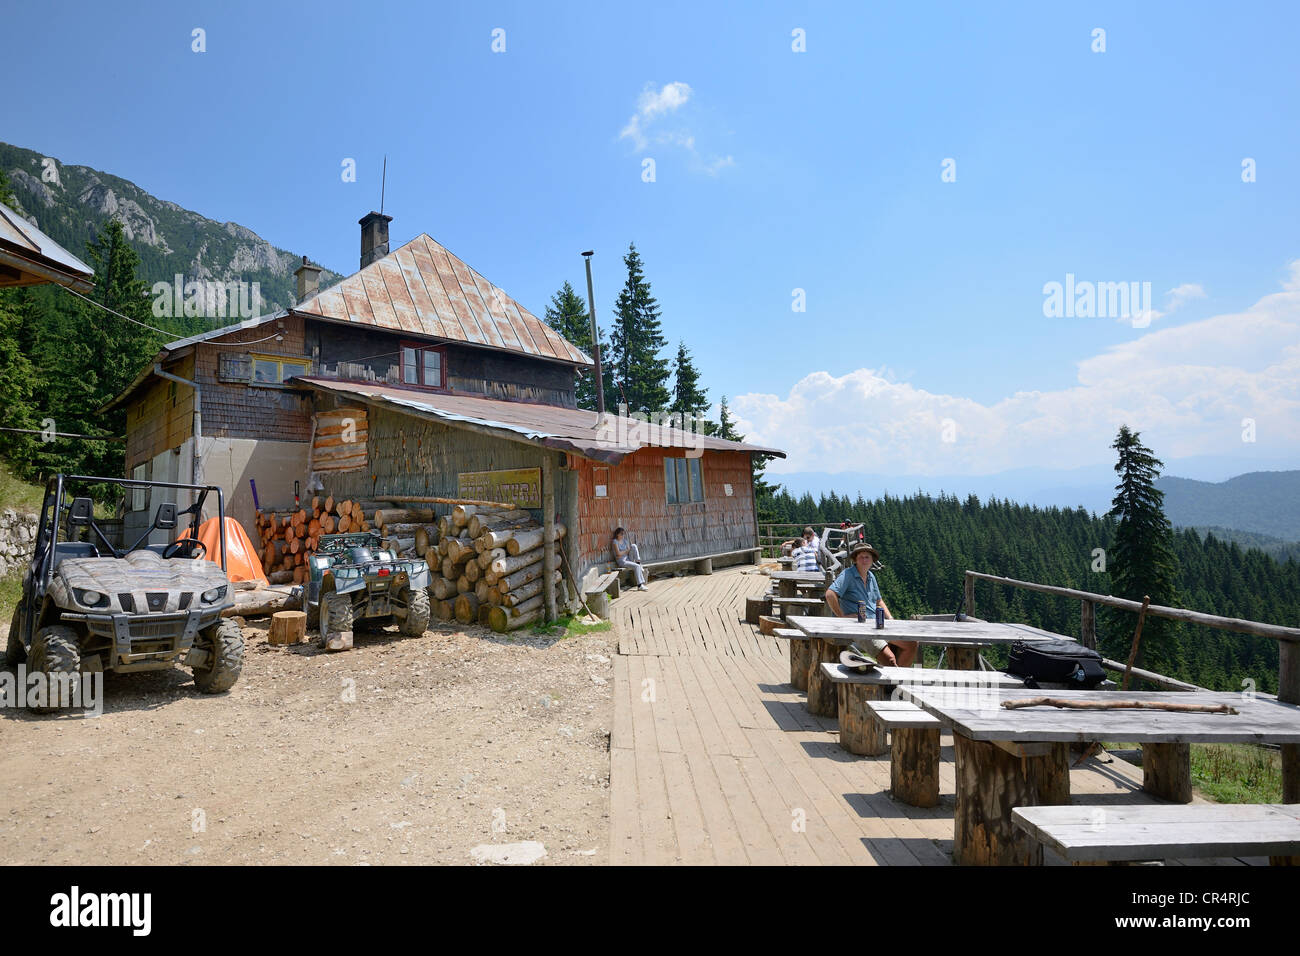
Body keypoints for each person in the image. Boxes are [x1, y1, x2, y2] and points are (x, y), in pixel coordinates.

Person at [823, 542, 917, 667]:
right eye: (861, 556)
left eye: (867, 557)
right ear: (855, 559)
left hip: (877, 623)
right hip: (859, 627)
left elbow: (879, 601)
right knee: (890, 659)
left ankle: (895, 681)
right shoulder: (847, 575)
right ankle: (892, 683)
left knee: (912, 643)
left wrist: (891, 619)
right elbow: (830, 594)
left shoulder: (871, 576)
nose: (864, 560)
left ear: (872, 560)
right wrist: (842, 618)